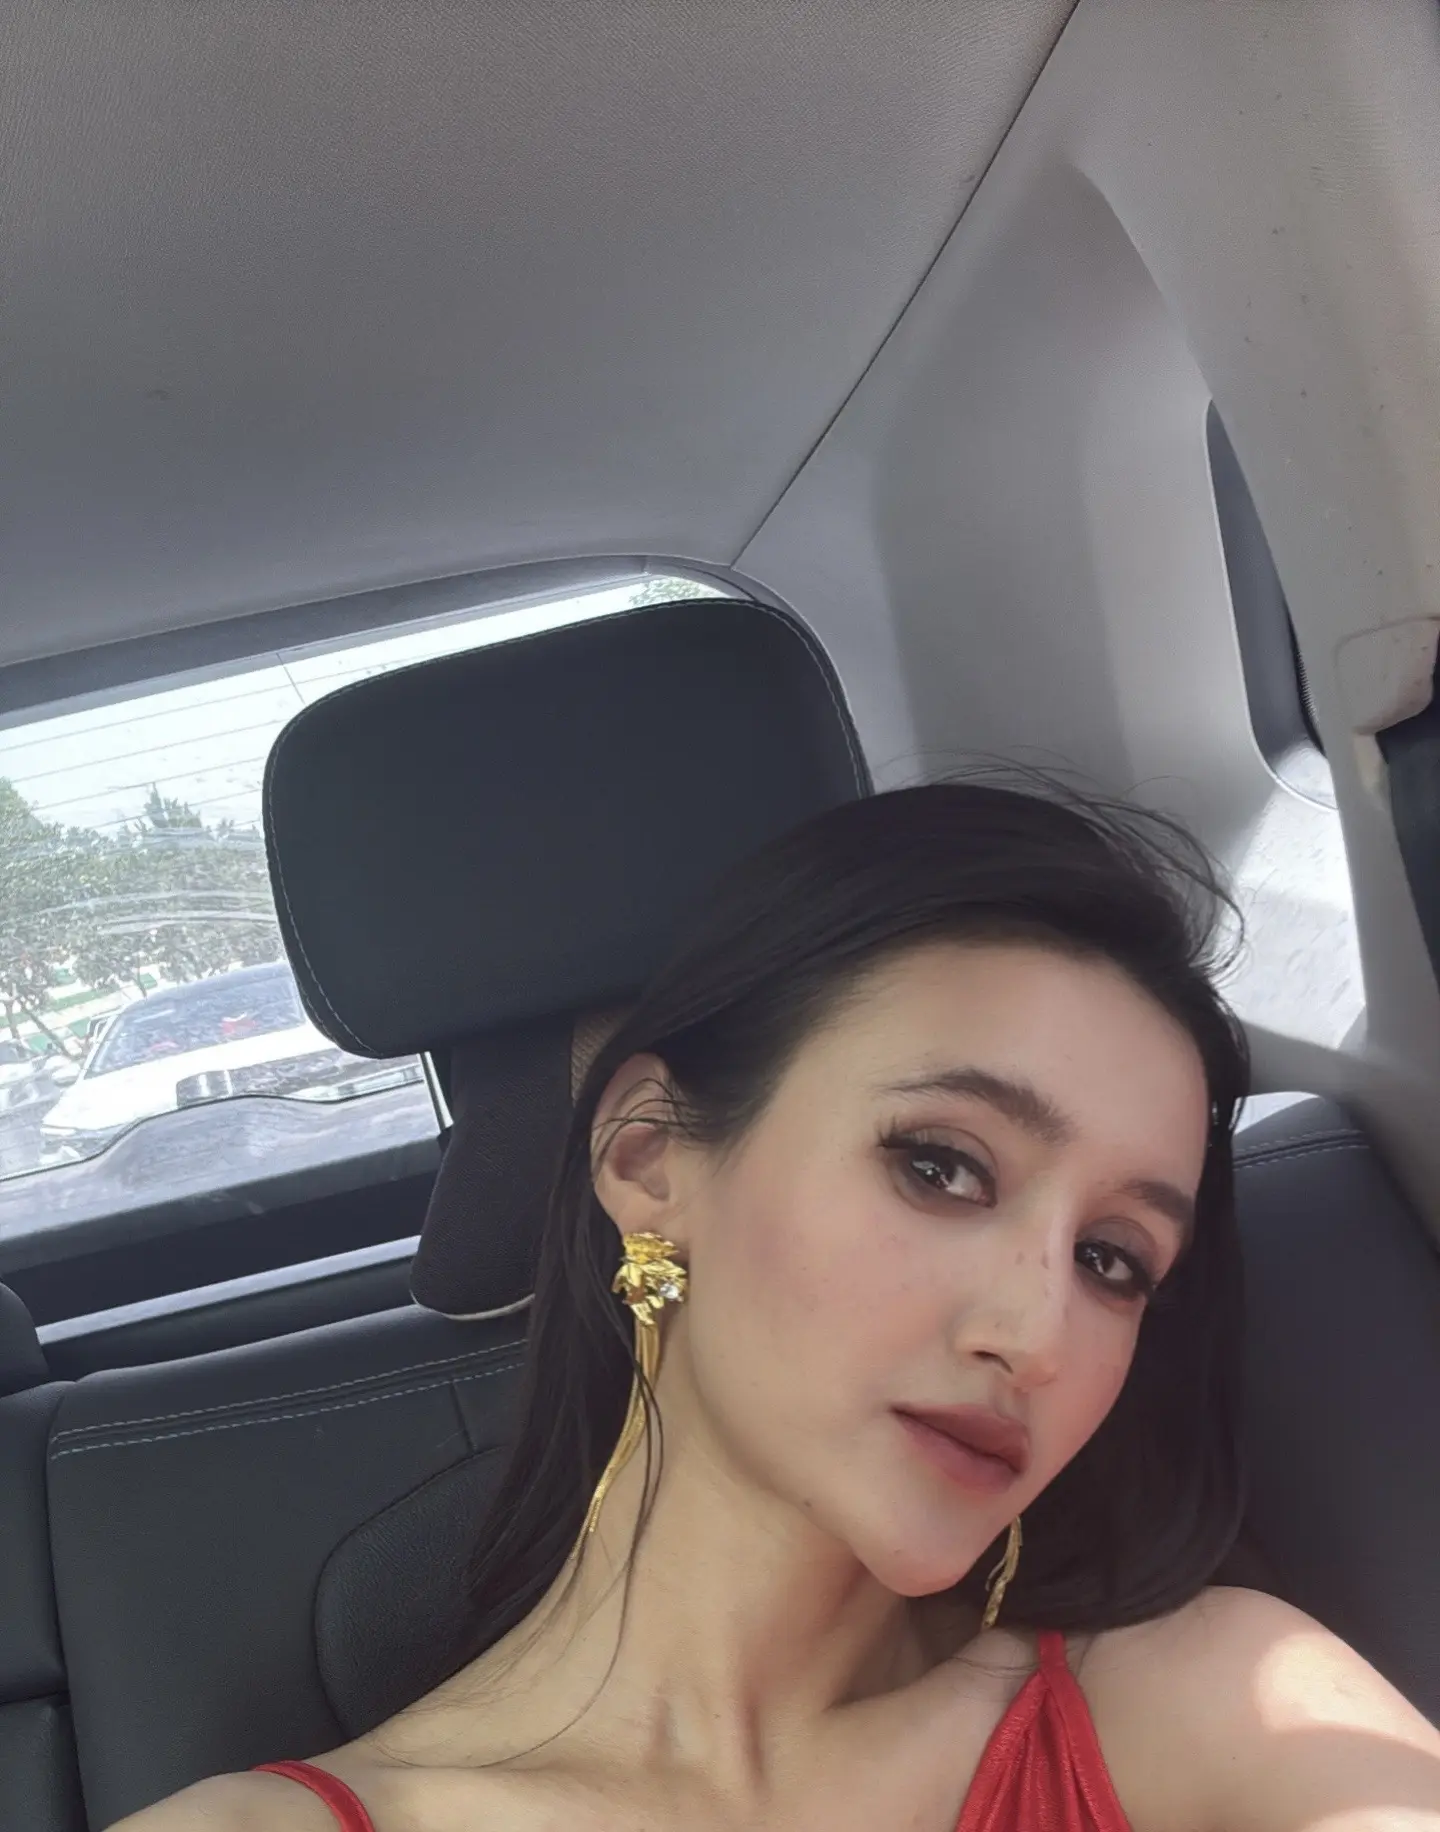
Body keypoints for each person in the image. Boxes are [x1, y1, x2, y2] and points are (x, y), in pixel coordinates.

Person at [127, 783, 1440, 1831]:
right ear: (649, 1159)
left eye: (1113, 1259)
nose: (1037, 1338)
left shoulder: (1221, 1704)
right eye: (942, 1167)